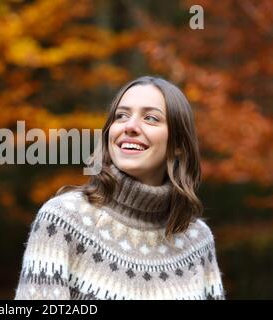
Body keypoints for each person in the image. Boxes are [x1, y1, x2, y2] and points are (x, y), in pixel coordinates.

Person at [14, 75, 225, 300]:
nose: (130, 126)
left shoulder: (197, 240)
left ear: (179, 146)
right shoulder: (62, 221)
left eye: (151, 118)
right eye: (121, 116)